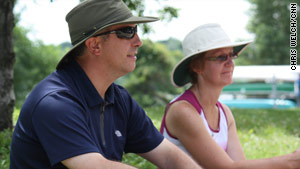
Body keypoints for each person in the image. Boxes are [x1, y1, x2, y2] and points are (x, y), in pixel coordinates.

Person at [10, 0, 201, 169]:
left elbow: (168, 157)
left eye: (137, 30)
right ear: (95, 46)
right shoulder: (54, 102)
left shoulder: (118, 98)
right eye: (127, 31)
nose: (139, 41)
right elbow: (95, 166)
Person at [160, 23, 300, 169]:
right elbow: (226, 167)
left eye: (232, 55)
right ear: (197, 66)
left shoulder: (224, 113)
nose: (230, 63)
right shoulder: (183, 111)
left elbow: (239, 165)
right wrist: (291, 162)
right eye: (221, 57)